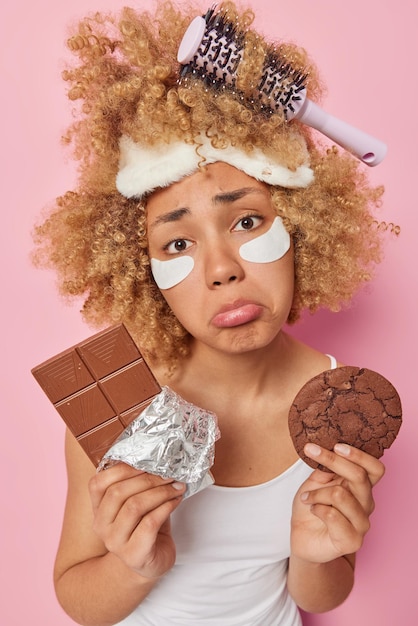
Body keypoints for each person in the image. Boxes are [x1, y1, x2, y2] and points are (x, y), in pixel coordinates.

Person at [32, 1, 395, 624]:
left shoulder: (337, 401)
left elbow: (323, 595)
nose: (221, 268)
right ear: (144, 269)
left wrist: (316, 554)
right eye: (178, 242)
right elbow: (77, 597)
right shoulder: (117, 402)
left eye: (248, 221)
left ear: (305, 229)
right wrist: (133, 565)